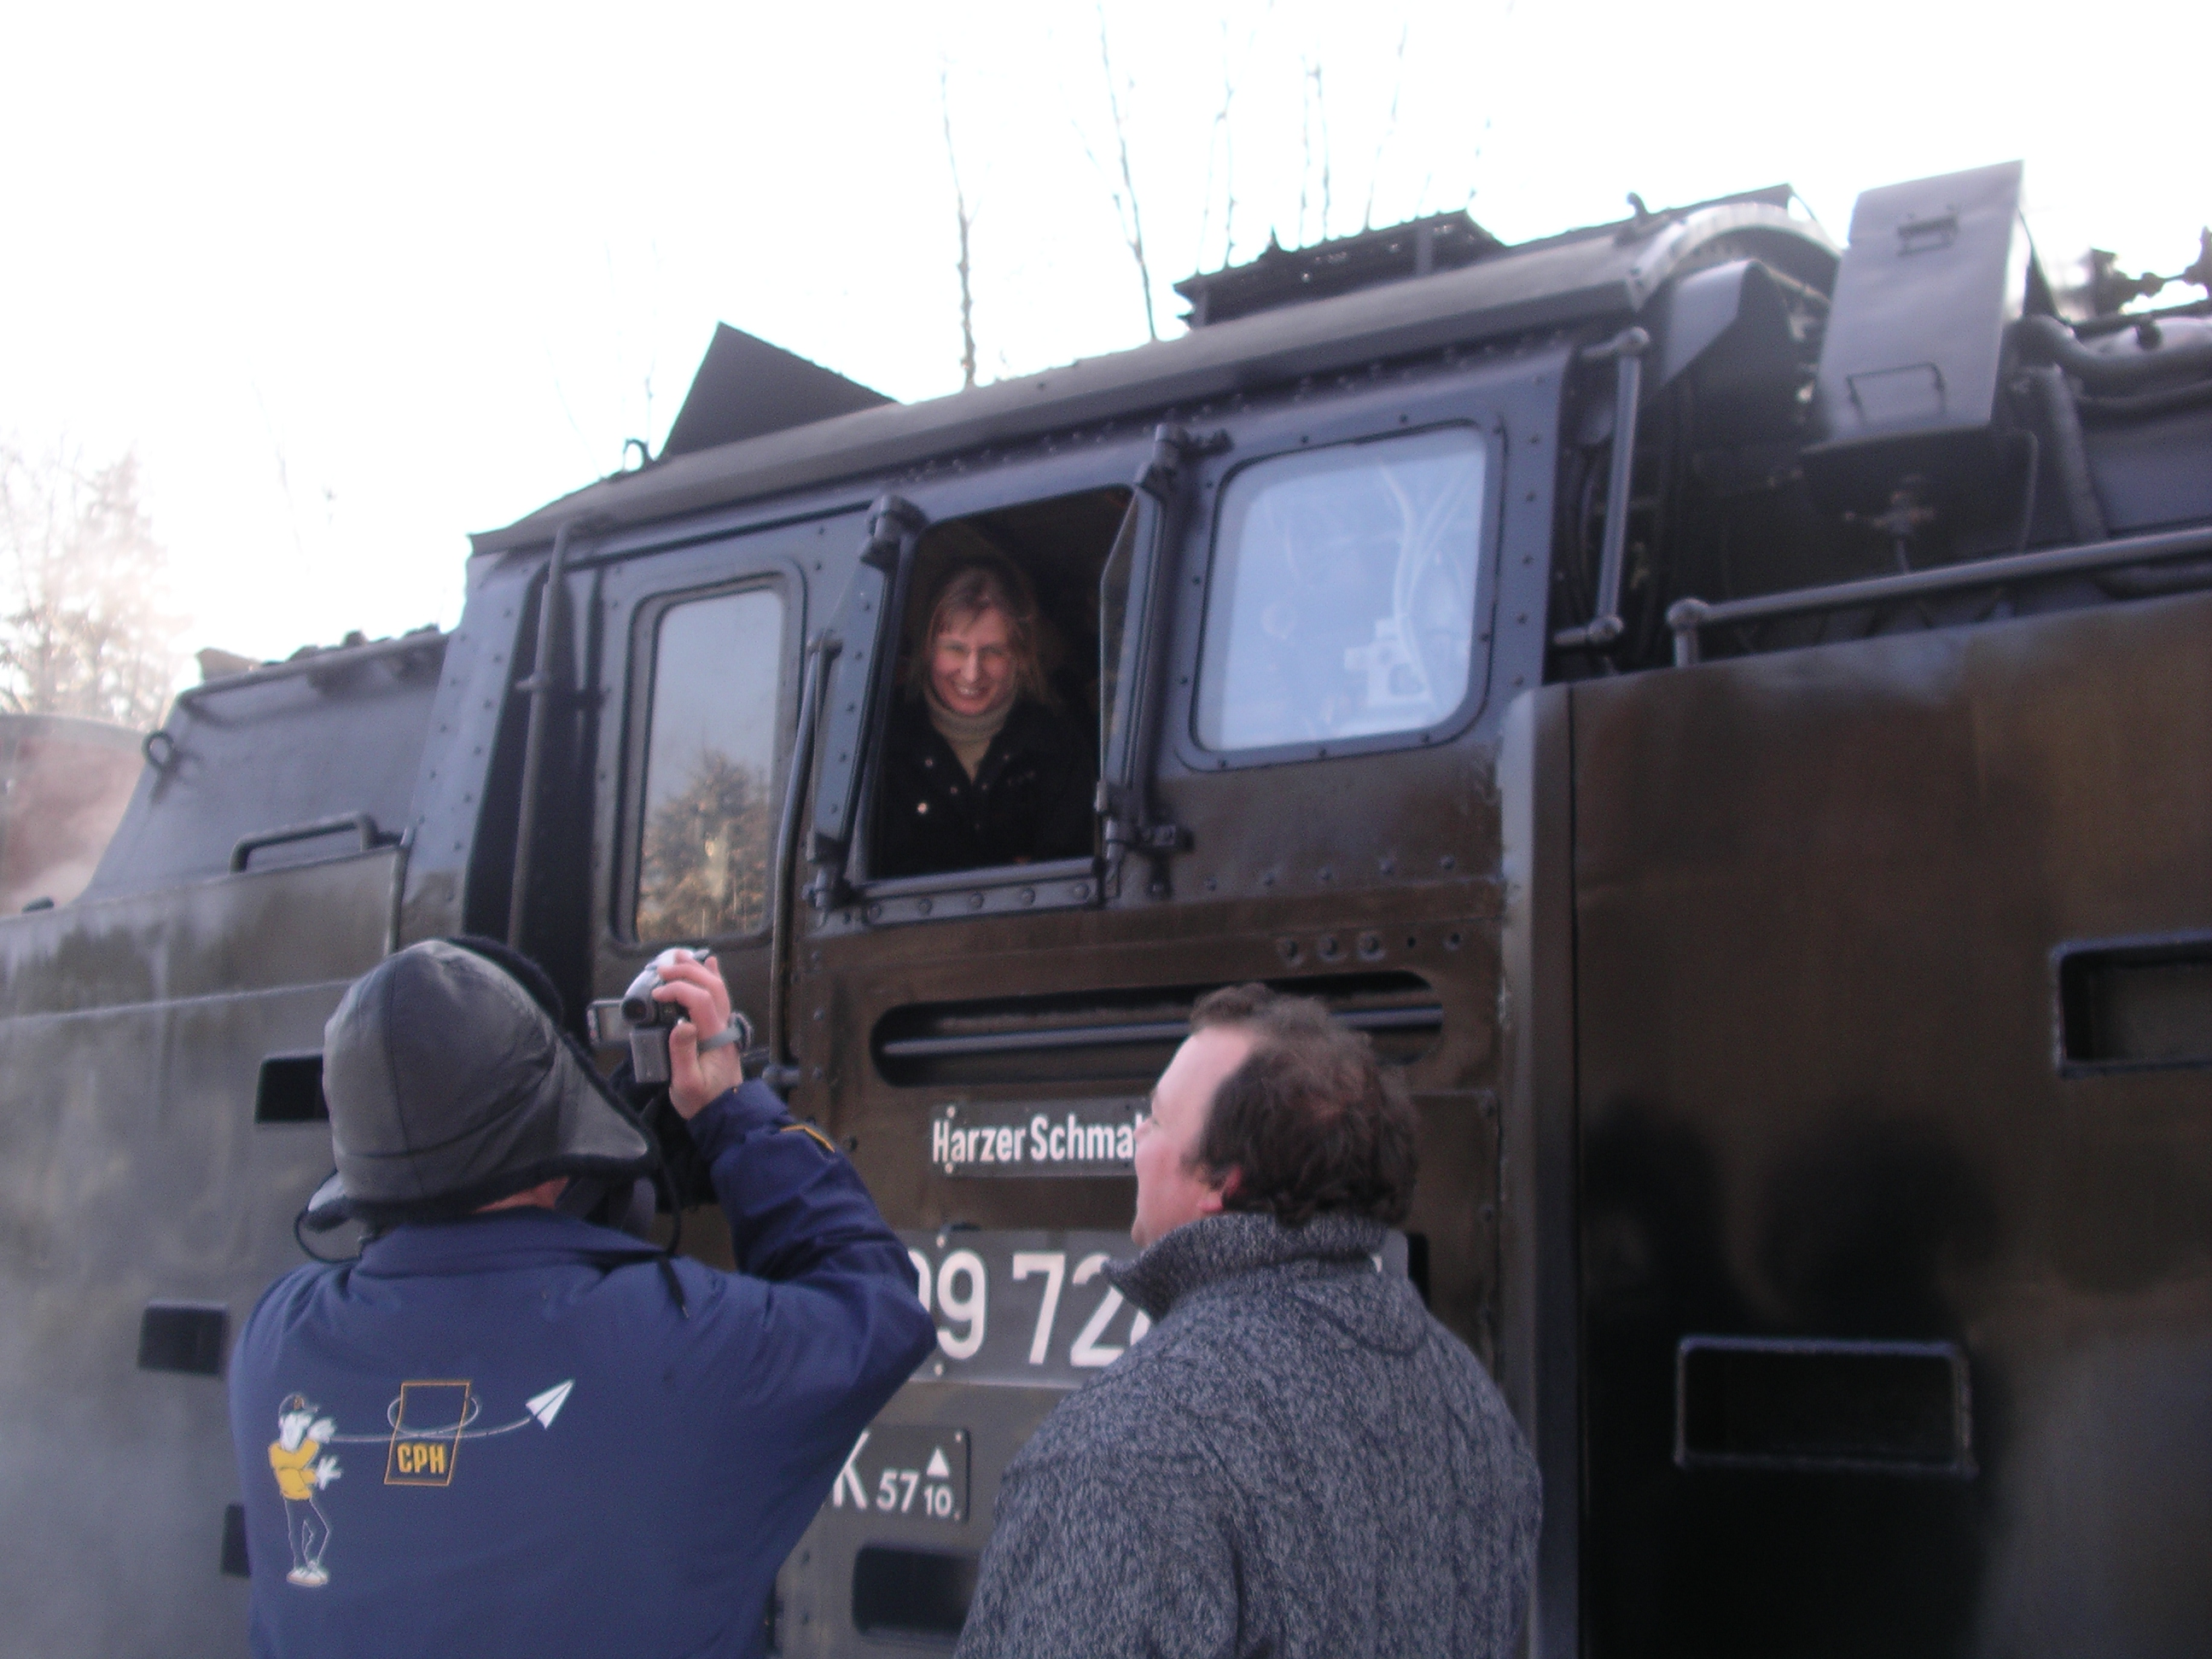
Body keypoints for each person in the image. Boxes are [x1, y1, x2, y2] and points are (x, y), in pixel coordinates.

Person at [227, 937, 936, 1658]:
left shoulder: (274, 1343)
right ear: (556, 1144)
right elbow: (873, 1302)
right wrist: (732, 1111)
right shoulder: (683, 1348)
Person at [955, 985, 1542, 1659]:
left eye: (1155, 1119)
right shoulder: (1469, 1402)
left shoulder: (1124, 1448)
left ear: (1222, 1183)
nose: (1136, 1137)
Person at [872, 557, 1094, 877]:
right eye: (955, 649)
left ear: (1020, 655)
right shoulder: (881, 737)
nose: (972, 673)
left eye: (993, 652)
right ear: (927, 649)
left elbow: (1071, 875)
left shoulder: (1059, 745)